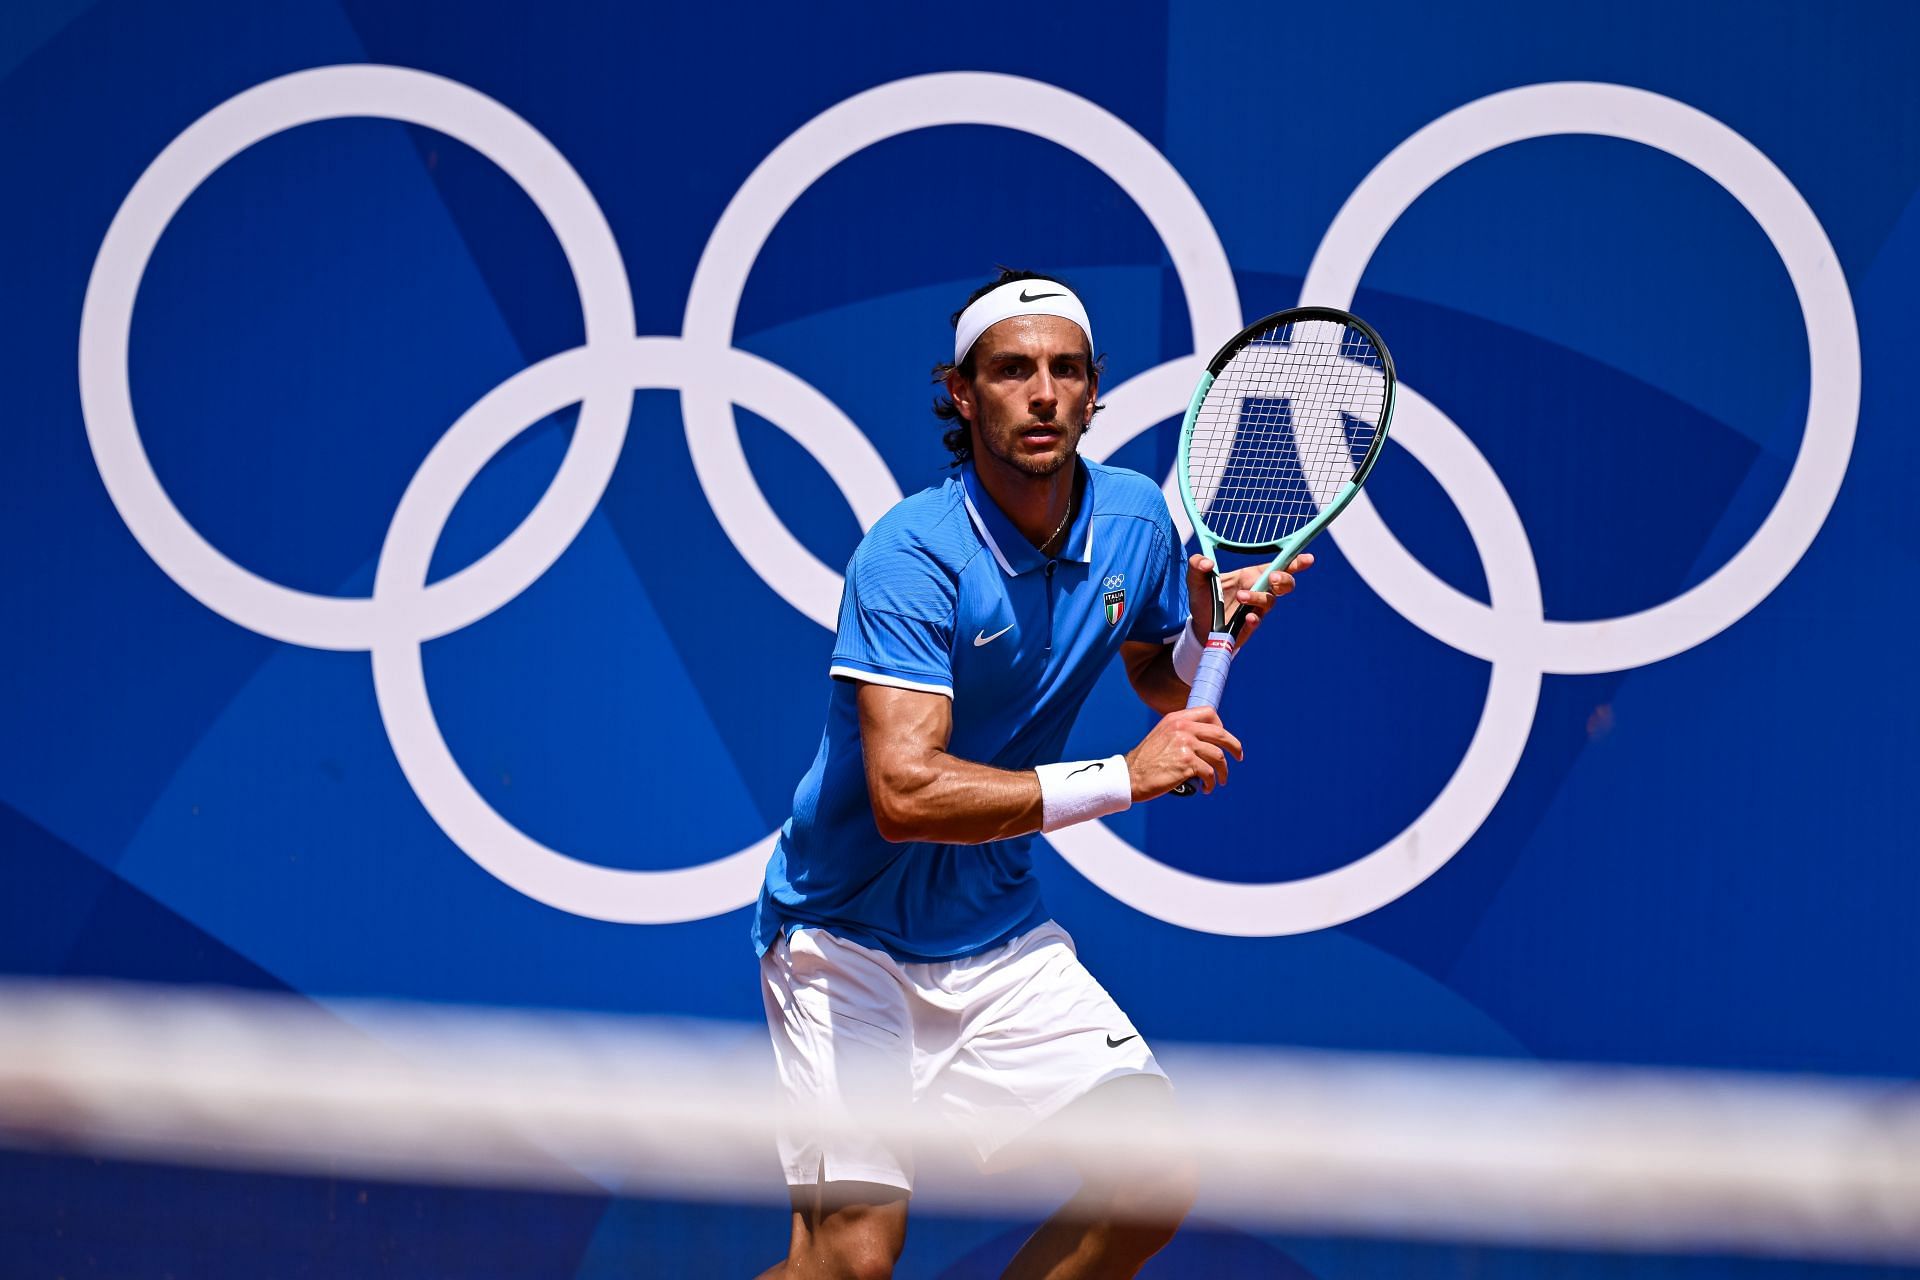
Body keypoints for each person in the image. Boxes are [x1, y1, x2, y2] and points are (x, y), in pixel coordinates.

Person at [754, 269, 1311, 1279]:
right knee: (849, 1261)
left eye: (1065, 369)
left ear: (1096, 390)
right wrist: (1127, 777)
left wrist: (1201, 636)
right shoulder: (910, 556)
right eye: (1013, 370)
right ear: (963, 395)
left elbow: (1154, 671)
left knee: (1152, 1175)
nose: (1043, 392)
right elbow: (906, 792)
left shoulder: (1136, 520)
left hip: (994, 931)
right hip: (844, 942)